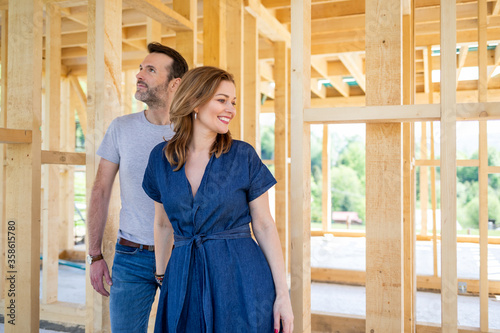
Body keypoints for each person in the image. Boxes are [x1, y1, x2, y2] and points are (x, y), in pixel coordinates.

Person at [142, 66, 294, 333]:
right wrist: (163, 277)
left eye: (232, 102)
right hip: (183, 276)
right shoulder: (160, 159)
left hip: (241, 279)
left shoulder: (243, 156)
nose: (231, 109)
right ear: (194, 103)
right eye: (222, 100)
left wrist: (283, 294)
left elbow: (265, 225)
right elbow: (163, 224)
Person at [87, 42, 188, 332]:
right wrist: (95, 255)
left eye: (151, 70)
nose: (139, 74)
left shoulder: (193, 130)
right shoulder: (121, 127)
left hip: (181, 255)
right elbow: (100, 190)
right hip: (131, 256)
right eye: (141, 68)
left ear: (174, 83)